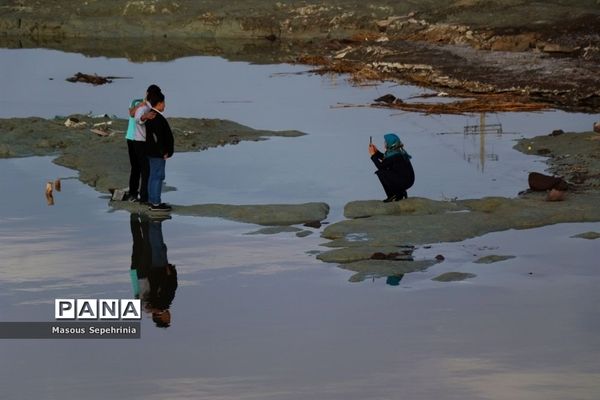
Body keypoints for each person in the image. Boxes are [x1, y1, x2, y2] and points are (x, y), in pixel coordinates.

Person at [126, 84, 161, 203]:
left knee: (143, 167)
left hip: (140, 139)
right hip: (131, 137)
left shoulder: (150, 106)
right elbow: (131, 114)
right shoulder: (137, 102)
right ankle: (133, 193)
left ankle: (142, 193)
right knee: (135, 167)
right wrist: (141, 105)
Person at [145, 91, 174, 212]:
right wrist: (163, 151)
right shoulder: (156, 118)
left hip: (151, 151)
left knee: (153, 175)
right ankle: (156, 204)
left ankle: (152, 201)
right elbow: (158, 137)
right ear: (159, 103)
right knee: (158, 176)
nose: (165, 106)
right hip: (157, 153)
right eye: (163, 103)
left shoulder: (151, 115)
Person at [368, 133, 415, 202]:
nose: (385, 144)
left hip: (404, 181)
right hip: (407, 180)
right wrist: (376, 152)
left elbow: (381, 166)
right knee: (386, 171)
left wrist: (372, 155)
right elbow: (386, 159)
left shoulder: (394, 155)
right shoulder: (397, 151)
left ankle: (393, 195)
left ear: (390, 144)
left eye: (386, 142)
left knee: (381, 173)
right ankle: (400, 194)